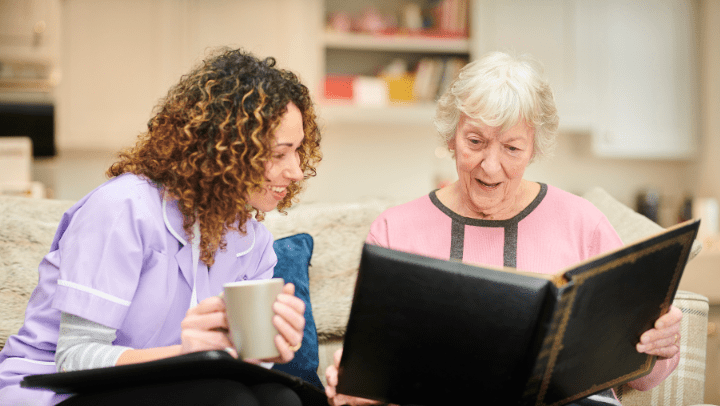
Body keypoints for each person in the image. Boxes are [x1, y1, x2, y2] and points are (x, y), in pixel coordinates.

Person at [325, 51, 682, 406]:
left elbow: (644, 376)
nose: (491, 167)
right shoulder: (394, 231)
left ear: (533, 149)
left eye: (512, 147)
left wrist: (660, 345)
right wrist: (357, 384)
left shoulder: (583, 224)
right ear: (452, 137)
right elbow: (371, 366)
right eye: (475, 142)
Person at [0, 47, 322, 406]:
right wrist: (186, 352)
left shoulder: (253, 241)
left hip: (171, 385)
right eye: (279, 153)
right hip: (56, 390)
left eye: (298, 150)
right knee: (228, 399)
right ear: (224, 149)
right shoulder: (123, 209)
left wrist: (271, 346)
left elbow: (235, 359)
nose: (295, 170)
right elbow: (73, 358)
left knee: (282, 398)